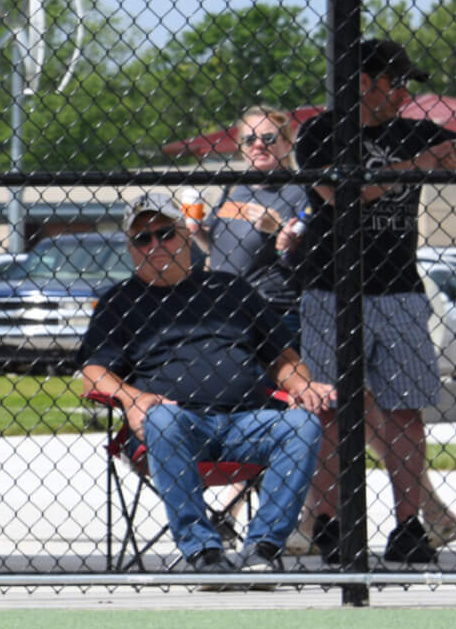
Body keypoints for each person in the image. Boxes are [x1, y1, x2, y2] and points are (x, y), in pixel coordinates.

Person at [291, 38, 456, 566]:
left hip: (400, 289)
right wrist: (419, 164)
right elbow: (340, 196)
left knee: (405, 409)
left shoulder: (412, 130)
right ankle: (331, 523)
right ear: (364, 82)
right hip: (333, 289)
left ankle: (409, 526)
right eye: (397, 82)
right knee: (330, 410)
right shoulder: (321, 132)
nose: (406, 93)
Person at [79, 192, 334, 580]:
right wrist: (132, 399)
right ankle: (204, 552)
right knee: (161, 417)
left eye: (165, 233)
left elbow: (282, 356)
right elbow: (93, 372)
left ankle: (261, 548)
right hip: (175, 427)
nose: (156, 245)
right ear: (130, 249)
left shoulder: (230, 289)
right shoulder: (120, 302)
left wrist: (302, 385)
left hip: (247, 423)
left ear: (185, 235)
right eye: (142, 239)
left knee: (302, 425)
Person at [205, 106, 309, 358]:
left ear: (287, 143)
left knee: (277, 393)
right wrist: (197, 231)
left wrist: (276, 230)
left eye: (268, 138)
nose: (258, 145)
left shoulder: (300, 189)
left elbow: (311, 256)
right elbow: (215, 248)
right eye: (249, 139)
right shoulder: (234, 188)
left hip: (273, 312)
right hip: (223, 307)